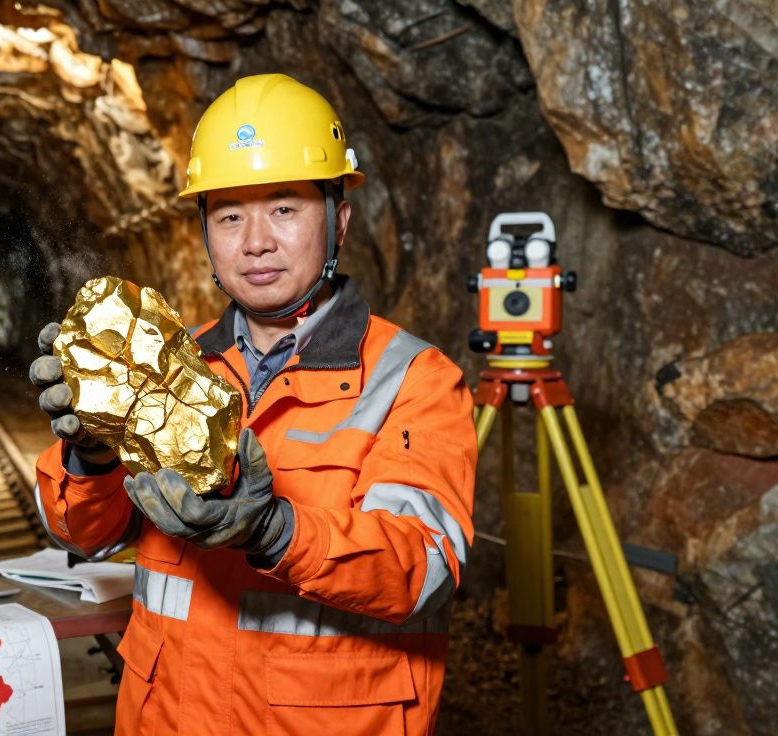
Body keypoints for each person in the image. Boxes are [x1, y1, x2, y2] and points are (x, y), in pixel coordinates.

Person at [29, 73, 476, 735]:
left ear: (340, 218)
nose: (256, 240)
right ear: (205, 233)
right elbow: (80, 533)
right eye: (229, 214)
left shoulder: (412, 379)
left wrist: (275, 531)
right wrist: (92, 456)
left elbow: (421, 567)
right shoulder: (168, 362)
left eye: (285, 208)